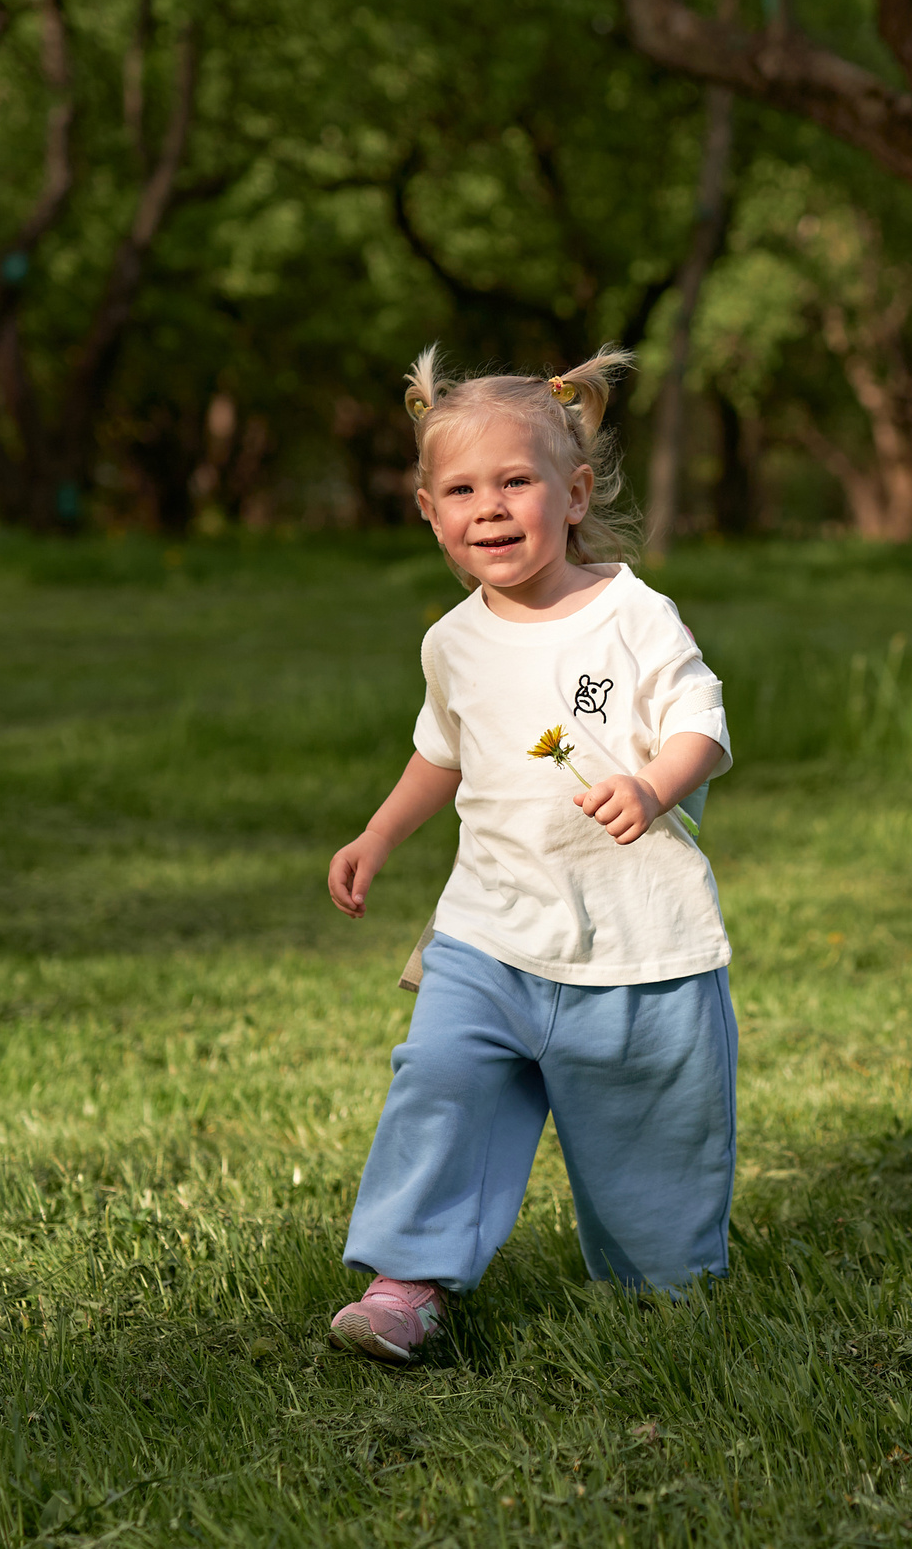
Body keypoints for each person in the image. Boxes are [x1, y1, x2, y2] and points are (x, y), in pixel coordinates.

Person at [321, 345, 735, 1362]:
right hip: (489, 931)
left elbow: (702, 727)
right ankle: (405, 1283)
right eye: (462, 489)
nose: (491, 508)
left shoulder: (634, 615)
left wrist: (653, 786)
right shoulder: (452, 640)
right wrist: (379, 833)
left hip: (636, 941)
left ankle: (664, 1298)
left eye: (517, 481)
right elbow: (442, 753)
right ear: (429, 513)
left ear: (574, 490)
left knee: (653, 1135)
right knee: (443, 1081)